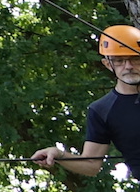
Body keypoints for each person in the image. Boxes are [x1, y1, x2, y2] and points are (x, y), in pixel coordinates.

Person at [30, 24, 140, 177]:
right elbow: (91, 165)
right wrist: (59, 154)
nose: (128, 66)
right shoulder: (102, 110)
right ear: (108, 64)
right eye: (119, 60)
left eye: (135, 59)